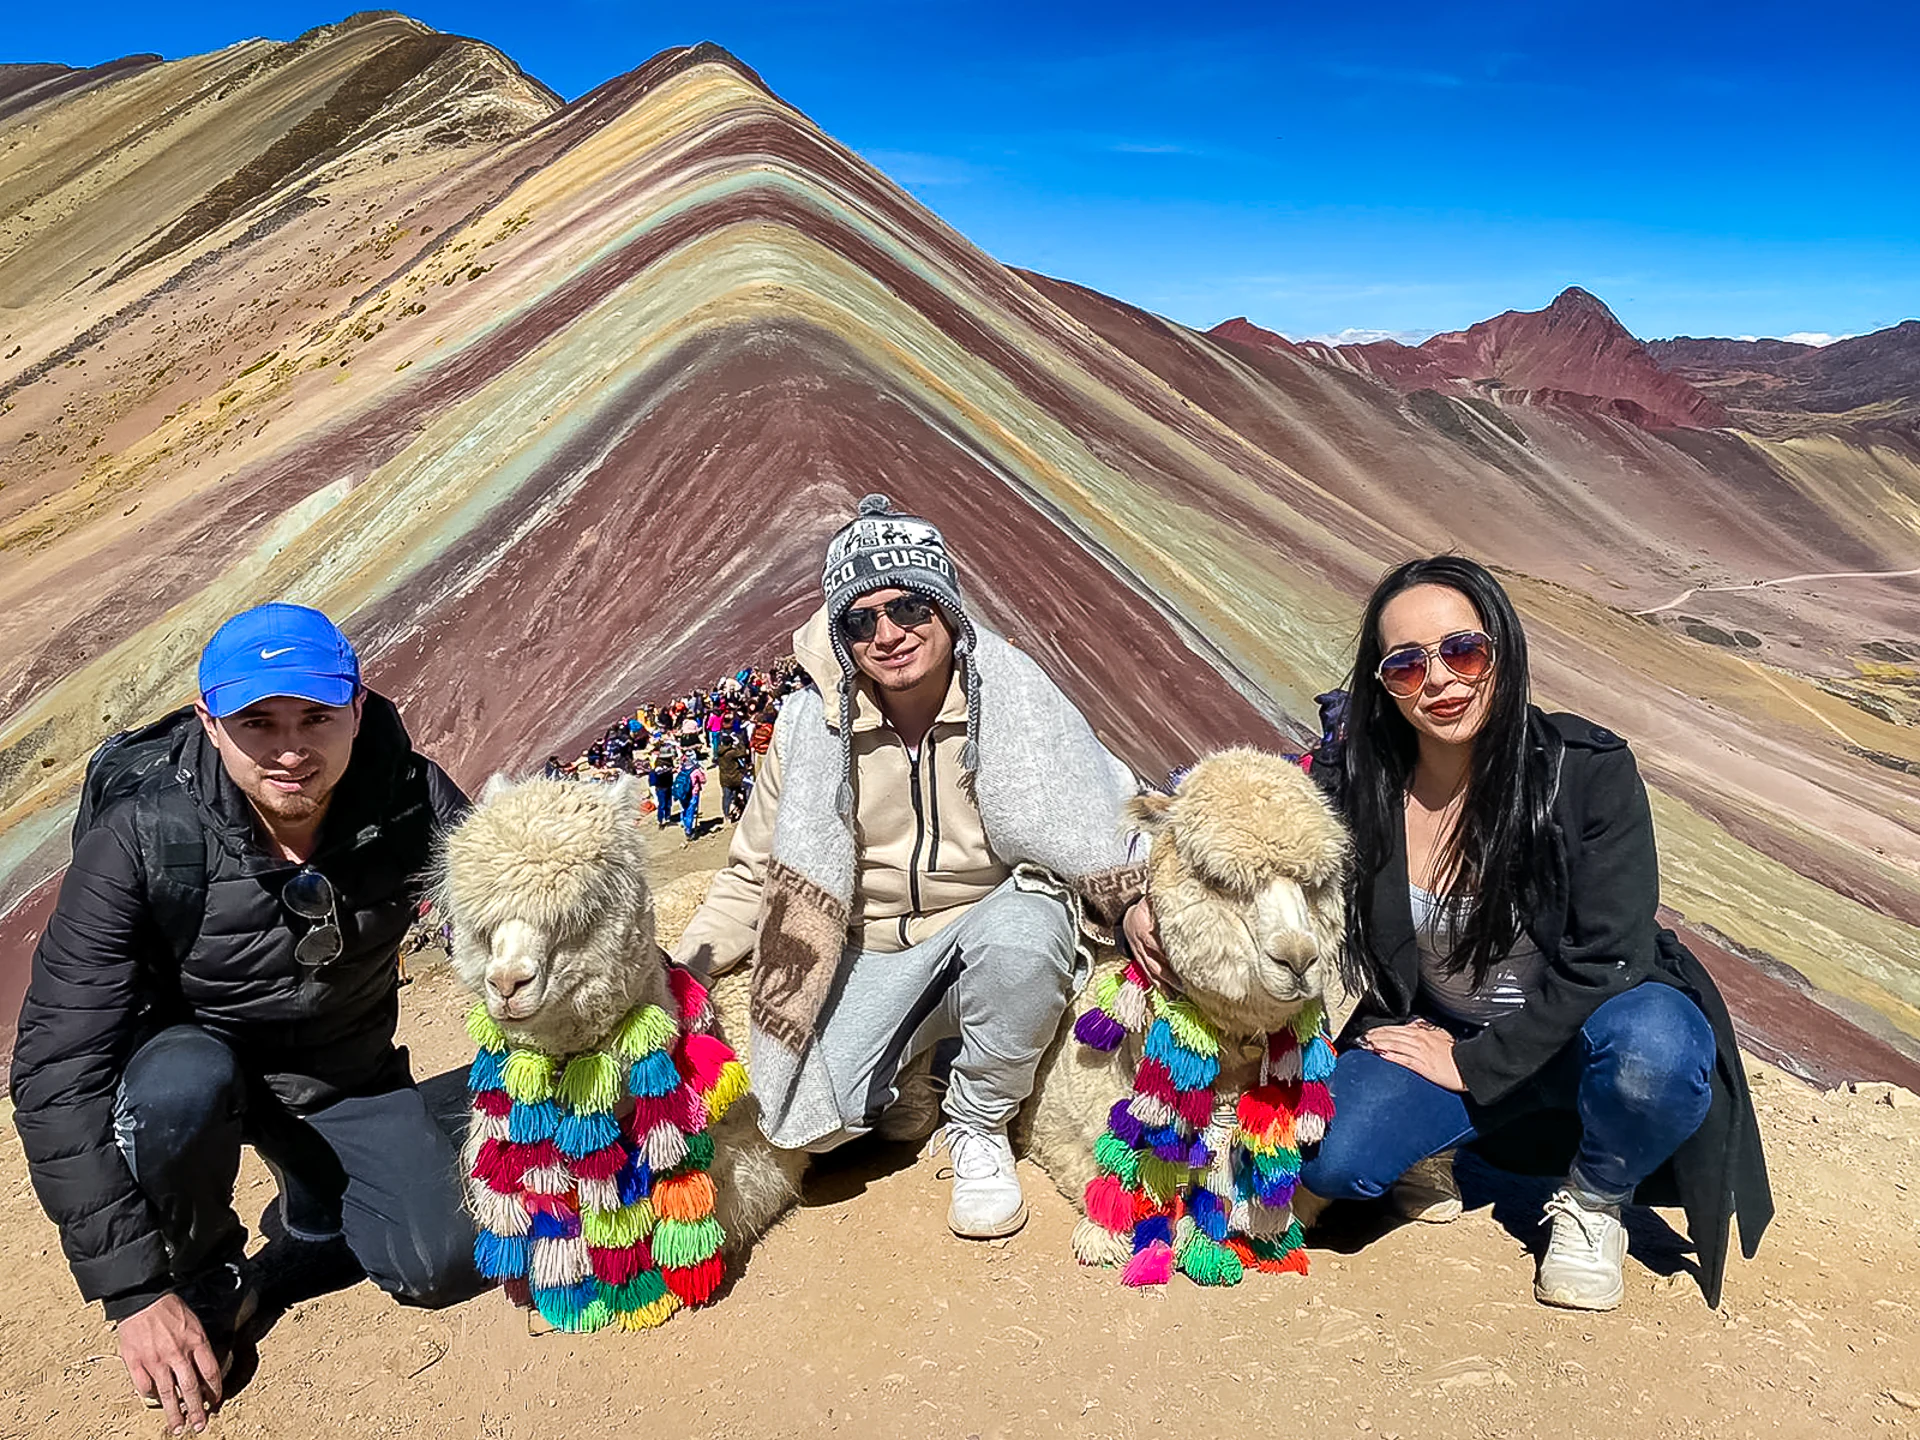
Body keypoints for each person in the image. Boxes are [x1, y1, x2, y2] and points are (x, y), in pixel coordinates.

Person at [10, 603, 478, 1436]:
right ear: (210, 722)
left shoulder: (409, 797)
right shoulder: (141, 837)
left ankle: (314, 1193)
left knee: (436, 1262)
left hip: (343, 1069)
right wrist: (135, 1291)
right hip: (195, 1070)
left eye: (317, 717)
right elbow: (55, 1070)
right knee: (179, 1085)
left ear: (358, 709)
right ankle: (207, 1268)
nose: (291, 748)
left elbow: (520, 907)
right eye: (257, 721)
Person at [1281, 556, 1768, 1310]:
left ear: (1503, 649)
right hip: (1444, 1026)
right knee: (1330, 1165)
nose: (1440, 681)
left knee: (1657, 1052)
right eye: (1407, 665)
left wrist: (1474, 1064)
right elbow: (1239, 815)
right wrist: (1144, 896)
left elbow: (1609, 955)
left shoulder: (1585, 772)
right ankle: (1430, 1151)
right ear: (1383, 684)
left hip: (1591, 1026)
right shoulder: (1360, 784)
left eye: (1463, 651)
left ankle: (1597, 1198)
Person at [672, 494, 1145, 1240]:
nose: (889, 635)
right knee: (805, 1128)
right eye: (861, 620)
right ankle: (918, 1078)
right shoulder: (807, 732)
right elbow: (751, 872)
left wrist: (1134, 900)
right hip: (866, 949)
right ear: (841, 633)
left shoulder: (1016, 703)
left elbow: (1099, 815)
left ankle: (979, 1118)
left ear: (948, 609)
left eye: (911, 609)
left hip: (984, 931)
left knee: (1026, 931)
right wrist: (686, 964)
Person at [715, 730, 751, 823]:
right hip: (735, 777)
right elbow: (743, 752)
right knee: (749, 786)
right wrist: (740, 742)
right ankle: (748, 806)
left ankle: (726, 815)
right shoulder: (731, 753)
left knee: (726, 797)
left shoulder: (719, 752)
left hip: (724, 778)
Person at [675, 750, 706, 844]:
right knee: (690, 811)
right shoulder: (696, 771)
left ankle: (684, 825)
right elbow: (703, 780)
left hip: (682, 793)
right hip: (693, 793)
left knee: (684, 809)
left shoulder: (681, 769)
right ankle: (688, 831)